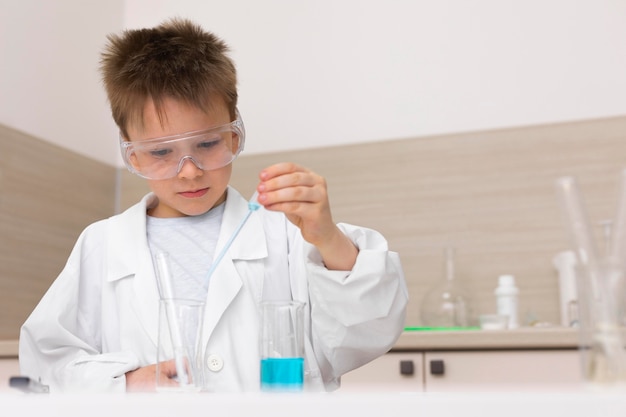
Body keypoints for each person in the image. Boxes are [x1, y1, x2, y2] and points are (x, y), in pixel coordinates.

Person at [18, 17, 408, 393]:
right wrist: (123, 385)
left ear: (235, 136)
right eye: (160, 152)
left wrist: (327, 237)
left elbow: (366, 334)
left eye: (207, 144)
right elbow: (46, 361)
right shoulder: (102, 244)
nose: (189, 172)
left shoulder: (286, 234)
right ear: (131, 155)